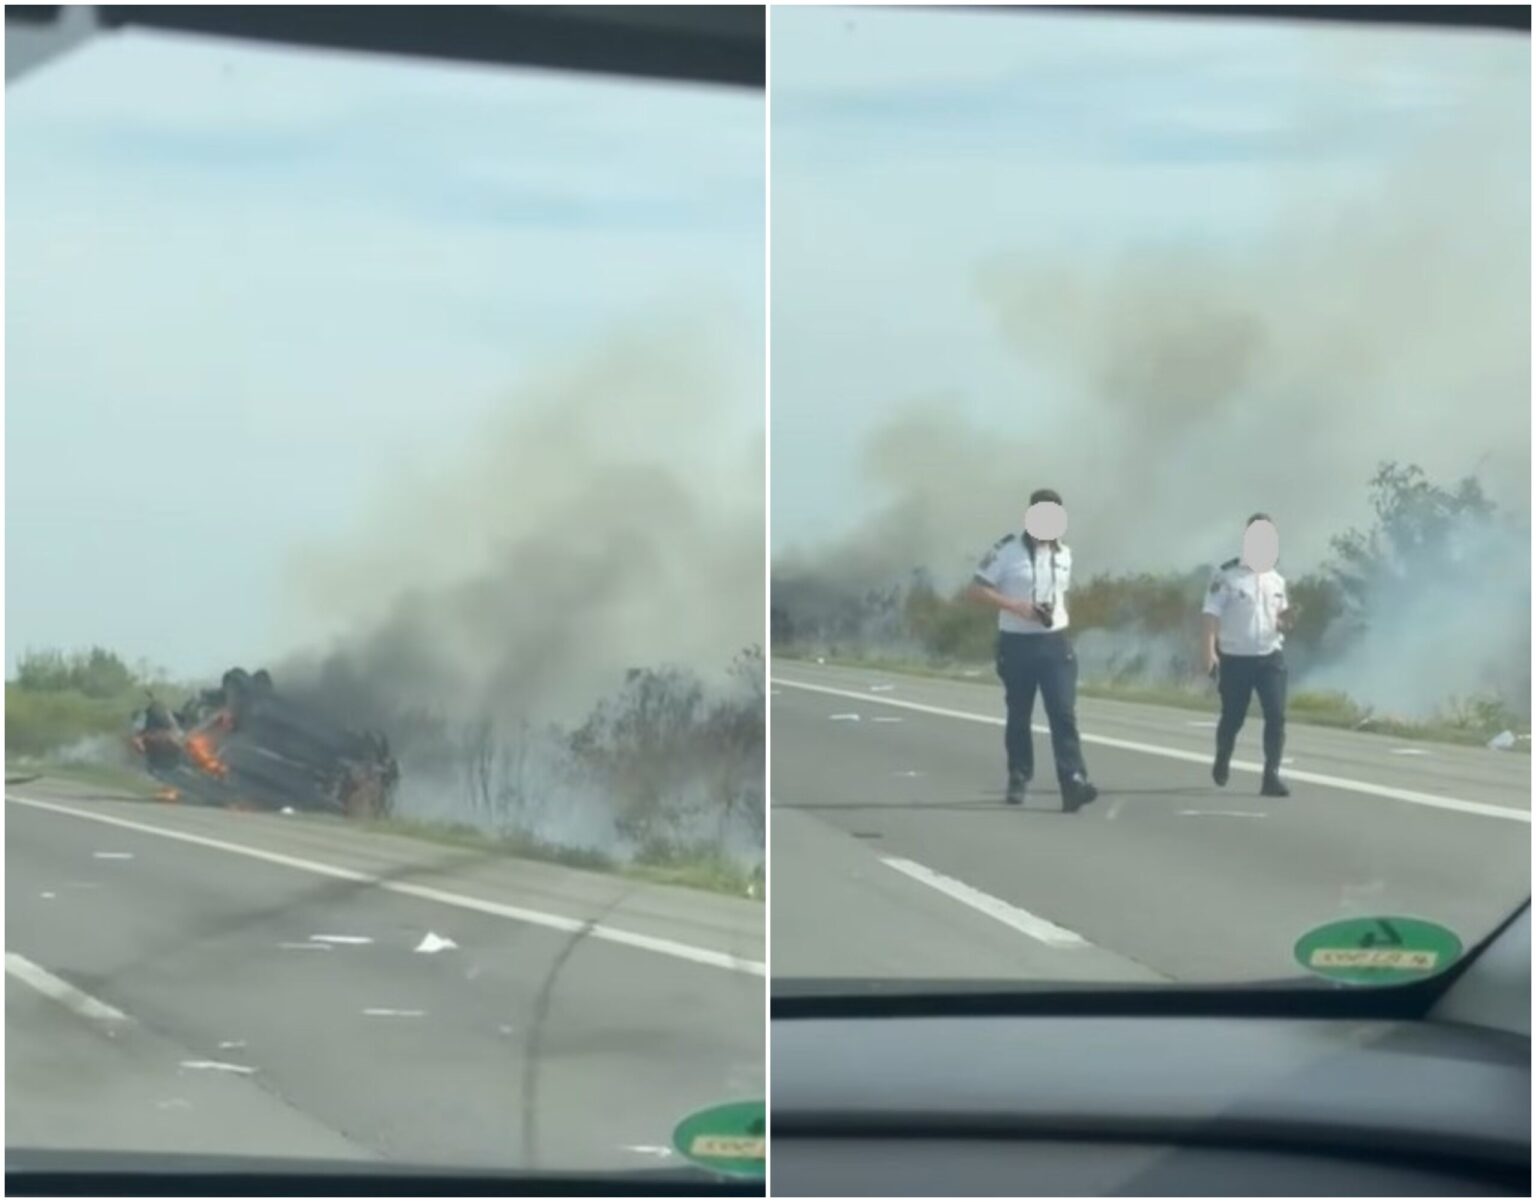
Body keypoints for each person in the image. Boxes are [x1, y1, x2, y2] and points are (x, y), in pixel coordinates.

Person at [966, 488, 1098, 811]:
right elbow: (976, 590)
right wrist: (1016, 606)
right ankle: (1019, 775)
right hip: (1017, 643)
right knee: (1019, 713)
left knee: (1063, 713)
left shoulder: (1065, 553)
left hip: (1055, 643)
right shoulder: (1006, 551)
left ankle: (1073, 781)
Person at [1202, 513, 1295, 797]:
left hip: (1270, 656)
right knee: (1233, 717)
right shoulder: (1227, 576)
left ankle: (1271, 775)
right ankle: (1223, 757)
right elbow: (1211, 615)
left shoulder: (1277, 580)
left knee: (1276, 715)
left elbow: (1280, 619)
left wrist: (1286, 622)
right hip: (1235, 658)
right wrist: (1209, 651)